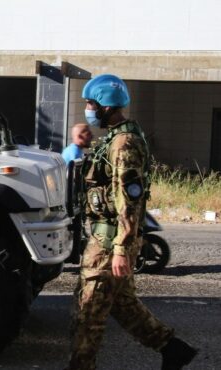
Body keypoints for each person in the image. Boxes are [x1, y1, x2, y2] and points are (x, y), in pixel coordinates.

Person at [68, 74, 197, 370]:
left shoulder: (124, 143)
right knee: (123, 305)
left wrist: (121, 248)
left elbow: (129, 198)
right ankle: (173, 349)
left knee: (88, 311)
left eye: (91, 103)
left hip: (110, 241)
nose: (87, 109)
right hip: (107, 238)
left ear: (106, 105)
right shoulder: (116, 138)